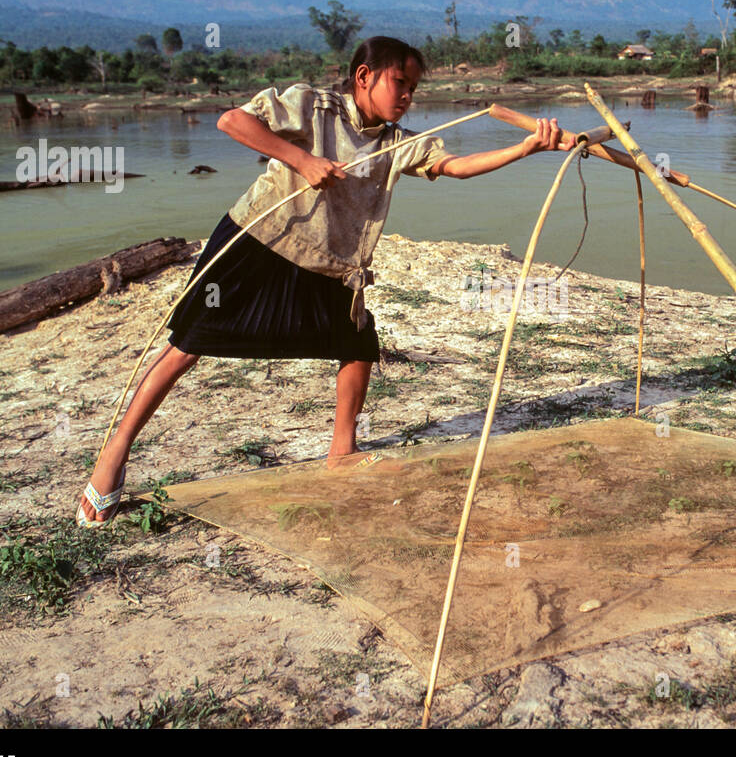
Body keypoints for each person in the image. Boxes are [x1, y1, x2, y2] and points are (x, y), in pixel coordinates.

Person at [76, 36, 571, 526]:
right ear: (364, 77)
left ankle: (342, 450)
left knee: (357, 343)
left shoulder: (397, 143)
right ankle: (113, 454)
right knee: (188, 343)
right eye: (399, 82)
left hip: (330, 259)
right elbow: (233, 120)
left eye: (413, 89)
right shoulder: (313, 106)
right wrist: (302, 160)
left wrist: (527, 147)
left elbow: (455, 166)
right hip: (260, 238)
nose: (406, 96)